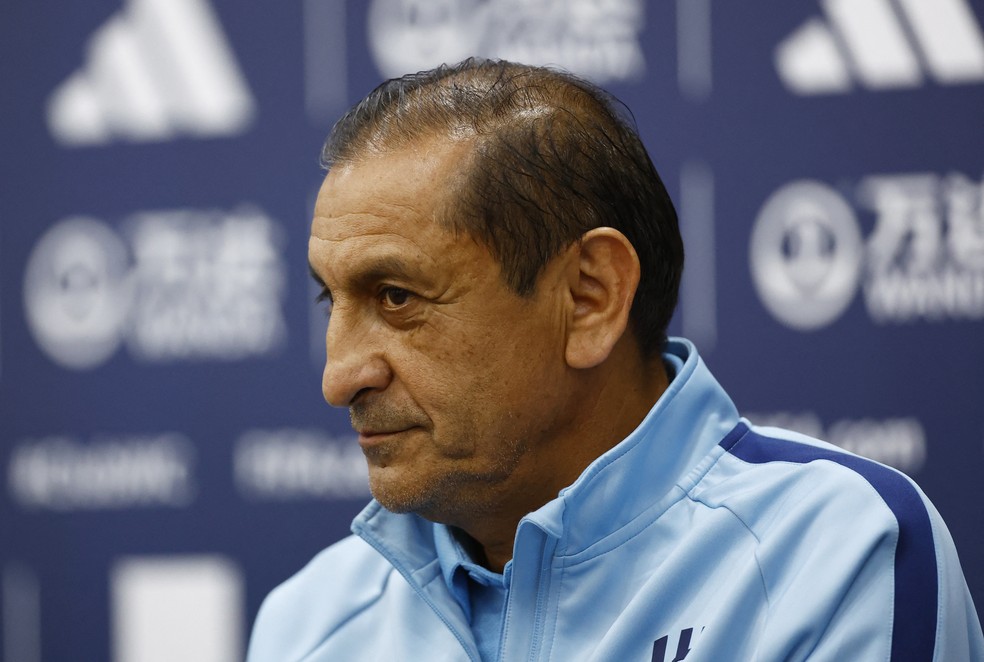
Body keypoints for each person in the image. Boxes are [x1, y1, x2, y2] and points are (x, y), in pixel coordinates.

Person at [247, 58, 983, 661]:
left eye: (397, 297)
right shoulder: (308, 624)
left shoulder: (835, 552)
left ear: (589, 298)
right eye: (330, 301)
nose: (339, 378)